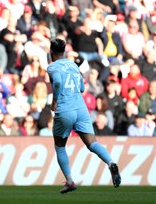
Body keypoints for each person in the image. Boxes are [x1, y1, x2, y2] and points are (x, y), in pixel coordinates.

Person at [47, 38, 121, 194]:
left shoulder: (52, 67)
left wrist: (54, 101)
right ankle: (110, 162)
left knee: (60, 146)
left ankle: (70, 181)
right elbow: (81, 87)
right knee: (92, 143)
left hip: (65, 108)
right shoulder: (73, 65)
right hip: (81, 108)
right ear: (65, 51)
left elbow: (58, 83)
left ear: (51, 51)